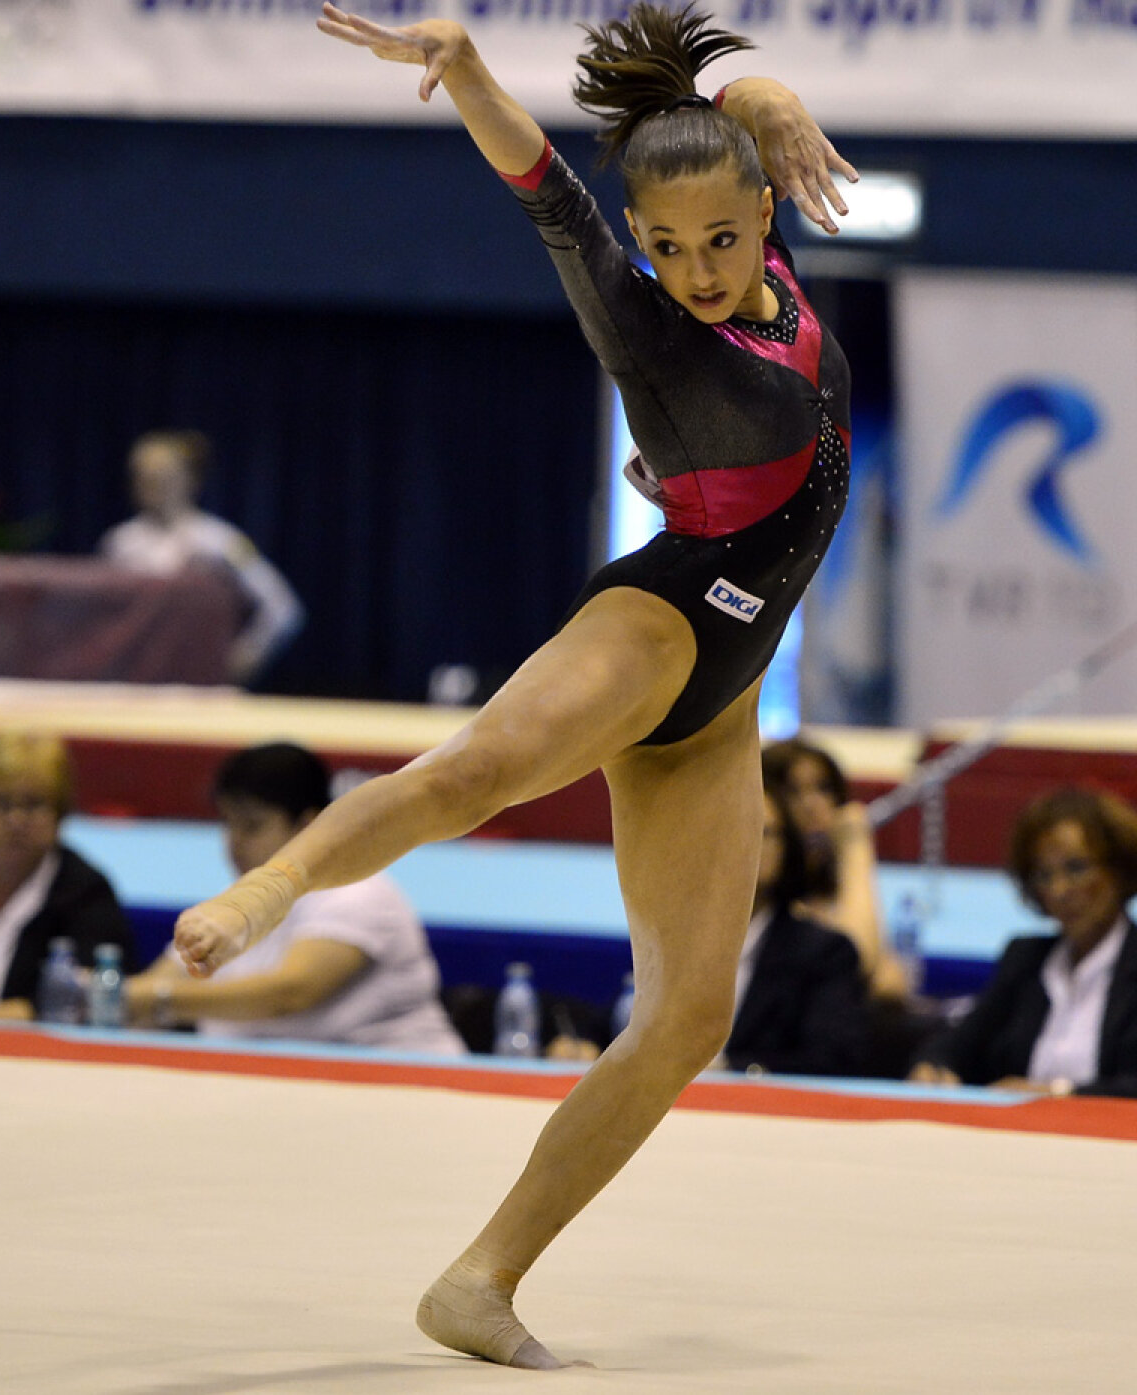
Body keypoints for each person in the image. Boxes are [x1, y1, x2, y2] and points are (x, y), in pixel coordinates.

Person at [174, 2, 857, 1368]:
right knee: (481, 769)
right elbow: (549, 195)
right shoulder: (651, 324)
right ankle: (271, 886)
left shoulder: (759, 249)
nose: (696, 269)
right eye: (665, 248)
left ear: (758, 209)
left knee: (689, 1016)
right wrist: (469, 72)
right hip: (659, 620)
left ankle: (481, 1276)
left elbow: (725, 144)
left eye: (722, 238)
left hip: (724, 697)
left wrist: (768, 94)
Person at [126, 743, 464, 1053]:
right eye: (228, 824)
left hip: (406, 1084)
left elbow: (290, 992)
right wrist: (108, 996)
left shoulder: (359, 893)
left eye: (252, 826)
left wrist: (159, 1000)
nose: (234, 842)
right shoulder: (234, 906)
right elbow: (153, 985)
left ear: (308, 825)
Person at [909, 787, 1137, 1098]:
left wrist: (1058, 1094)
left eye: (1076, 868)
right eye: (1044, 875)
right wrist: (934, 1064)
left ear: (1120, 869)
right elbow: (961, 1042)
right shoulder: (1026, 958)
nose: (1059, 890)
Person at [0, 731, 135, 1021]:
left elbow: (76, 1006)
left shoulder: (84, 894)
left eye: (33, 804)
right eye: (0, 803)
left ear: (60, 814)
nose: (16, 820)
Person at [98, 429, 304, 685]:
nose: (152, 484)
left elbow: (281, 606)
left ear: (190, 479)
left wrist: (245, 656)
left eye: (164, 476)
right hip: (136, 685)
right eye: (144, 476)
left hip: (200, 685)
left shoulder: (221, 541)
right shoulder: (119, 543)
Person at [722, 781, 870, 1077]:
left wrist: (733, 1070)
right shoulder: (670, 939)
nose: (744, 844)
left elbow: (832, 1059)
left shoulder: (823, 953)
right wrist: (598, 1040)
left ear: (787, 849)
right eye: (728, 828)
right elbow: (617, 1019)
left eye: (762, 832)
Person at [762, 734, 909, 1001]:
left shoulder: (832, 892)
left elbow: (892, 981)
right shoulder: (761, 902)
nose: (813, 805)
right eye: (793, 791)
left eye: (823, 789)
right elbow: (858, 960)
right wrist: (856, 847)